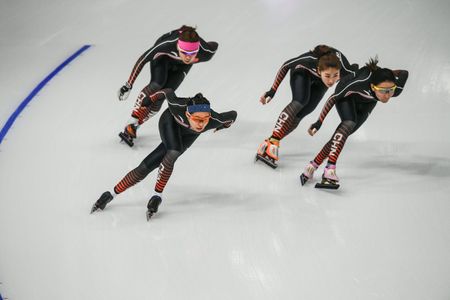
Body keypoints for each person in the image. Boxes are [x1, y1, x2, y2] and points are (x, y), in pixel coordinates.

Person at [92, 89, 237, 220]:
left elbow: (232, 116)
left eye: (205, 119)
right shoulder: (177, 106)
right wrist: (150, 99)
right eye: (197, 119)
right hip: (169, 123)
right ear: (187, 114)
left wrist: (224, 125)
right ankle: (142, 194)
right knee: (170, 153)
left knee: (150, 164)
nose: (201, 124)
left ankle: (125, 194)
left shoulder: (214, 120)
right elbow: (167, 92)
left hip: (188, 136)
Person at [300, 57, 409, 189]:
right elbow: (333, 98)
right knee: (349, 122)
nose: (387, 95)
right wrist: (319, 122)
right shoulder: (359, 83)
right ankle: (330, 170)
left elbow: (404, 73)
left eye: (390, 90)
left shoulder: (394, 90)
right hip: (346, 97)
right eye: (382, 91)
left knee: (341, 136)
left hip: (367, 103)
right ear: (372, 87)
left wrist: (389, 73)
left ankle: (312, 165)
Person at [255, 45, 358, 168]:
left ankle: (269, 141)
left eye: (336, 75)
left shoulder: (345, 69)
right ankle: (274, 141)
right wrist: (272, 91)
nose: (331, 81)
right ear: (319, 70)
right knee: (300, 100)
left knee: (305, 110)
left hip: (320, 81)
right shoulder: (309, 59)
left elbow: (355, 73)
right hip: (302, 72)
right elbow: (286, 65)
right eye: (328, 76)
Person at [117, 25, 218, 147]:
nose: (187, 56)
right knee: (157, 84)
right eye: (184, 52)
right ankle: (134, 118)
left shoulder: (206, 52)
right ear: (178, 47)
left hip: (182, 67)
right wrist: (128, 85)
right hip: (162, 58)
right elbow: (143, 59)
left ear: (198, 50)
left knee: (164, 93)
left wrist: (202, 45)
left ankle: (134, 125)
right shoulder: (167, 44)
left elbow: (214, 45)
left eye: (192, 53)